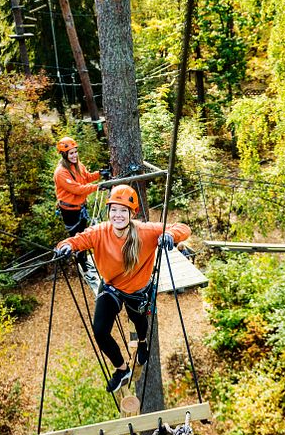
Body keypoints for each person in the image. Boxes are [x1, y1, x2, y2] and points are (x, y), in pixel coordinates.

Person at [55, 185, 191, 393]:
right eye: (114, 210)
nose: (117, 215)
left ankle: (143, 342)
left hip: (137, 290)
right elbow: (77, 240)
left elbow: (182, 228)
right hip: (112, 287)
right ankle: (122, 369)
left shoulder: (145, 232)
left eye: (123, 210)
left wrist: (171, 235)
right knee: (100, 331)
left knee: (139, 322)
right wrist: (66, 246)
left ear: (132, 213)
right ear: (108, 211)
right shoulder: (100, 232)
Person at [53, 136, 110, 289]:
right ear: (64, 155)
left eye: (75, 152)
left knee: (85, 237)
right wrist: (98, 186)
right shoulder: (61, 173)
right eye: (71, 153)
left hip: (80, 208)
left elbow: (87, 178)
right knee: (77, 240)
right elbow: (77, 189)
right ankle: (85, 268)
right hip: (70, 211)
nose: (74, 155)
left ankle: (84, 261)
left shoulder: (78, 165)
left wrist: (100, 174)